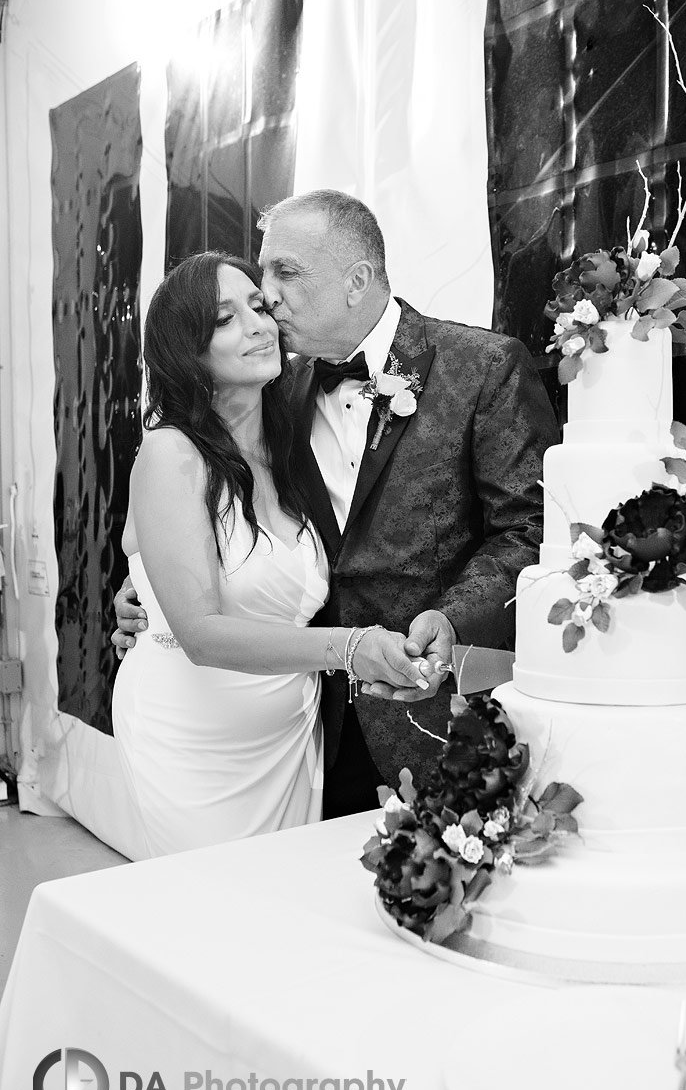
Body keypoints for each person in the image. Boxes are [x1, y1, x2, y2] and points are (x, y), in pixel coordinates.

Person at [115, 191, 559, 818]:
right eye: (260, 273)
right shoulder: (274, 389)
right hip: (310, 718)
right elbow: (208, 523)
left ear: (357, 281)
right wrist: (152, 594)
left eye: (284, 274)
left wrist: (455, 618)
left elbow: (531, 529)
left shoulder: (482, 368)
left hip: (431, 705)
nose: (266, 296)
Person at [111, 250, 429, 857]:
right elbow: (200, 633)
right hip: (193, 739)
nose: (259, 325)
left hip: (293, 735)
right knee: (210, 918)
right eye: (225, 319)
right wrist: (353, 648)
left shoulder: (293, 444)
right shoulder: (171, 453)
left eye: (258, 307)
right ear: (187, 349)